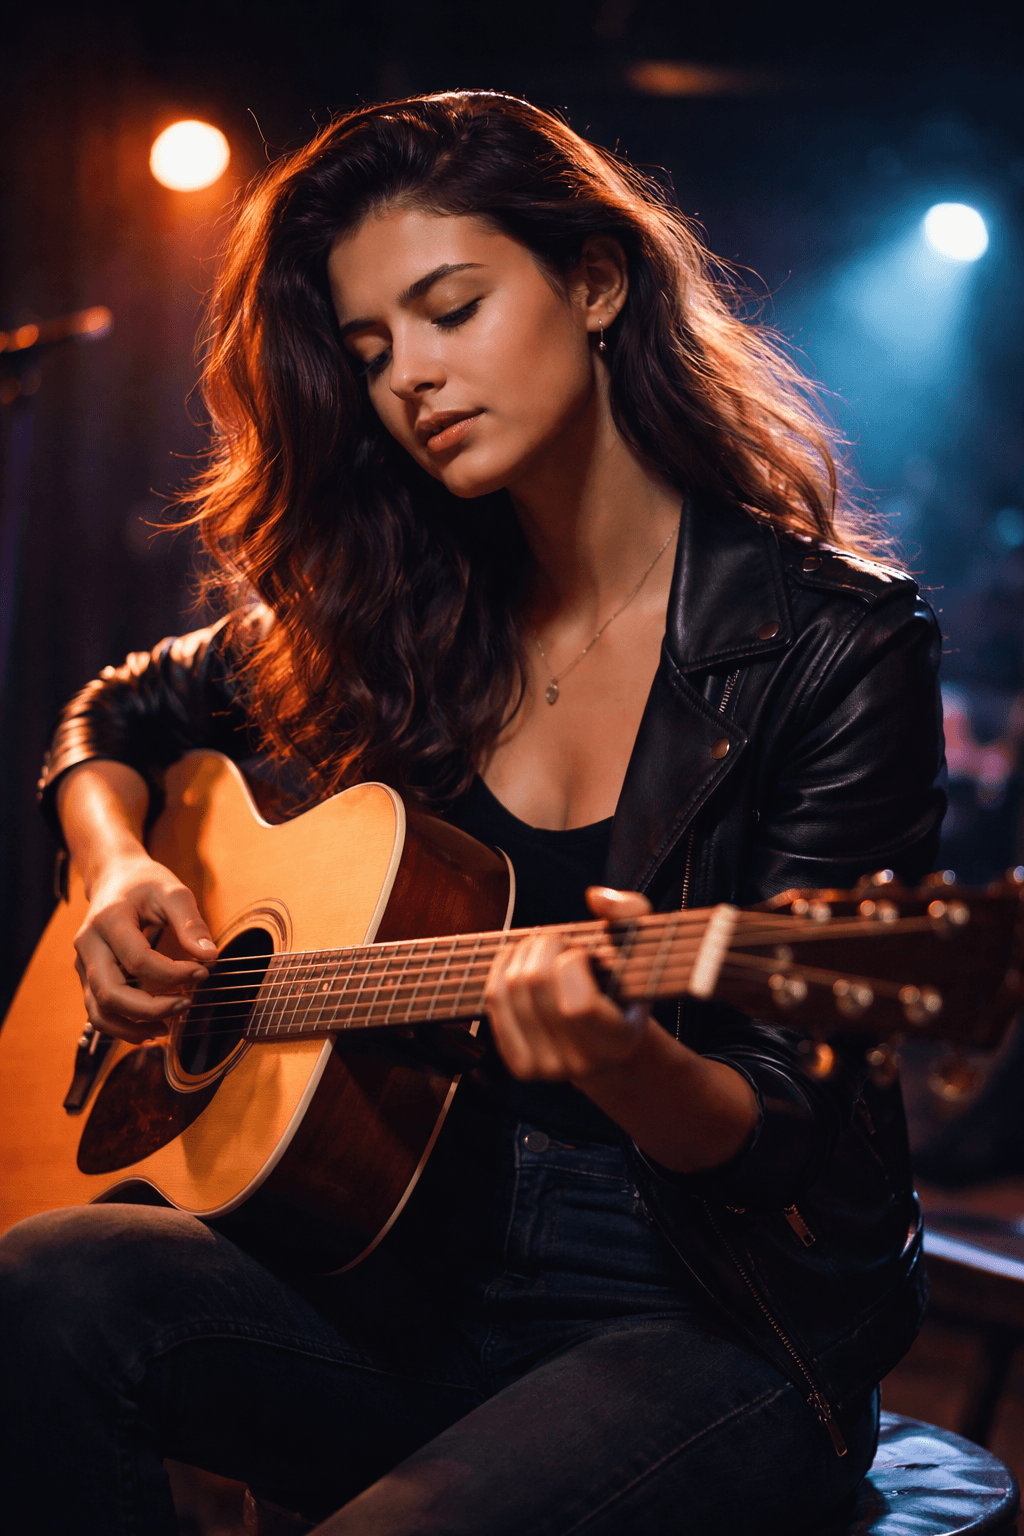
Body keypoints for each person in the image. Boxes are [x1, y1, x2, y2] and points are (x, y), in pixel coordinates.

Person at [0, 93, 946, 1535]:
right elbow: (115, 715)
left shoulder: (837, 644)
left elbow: (780, 1129)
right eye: (373, 350)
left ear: (595, 281)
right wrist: (118, 864)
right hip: (400, 1270)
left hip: (700, 1318)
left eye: (452, 309)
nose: (410, 381)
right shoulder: (397, 605)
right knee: (45, 1288)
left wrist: (625, 1063)